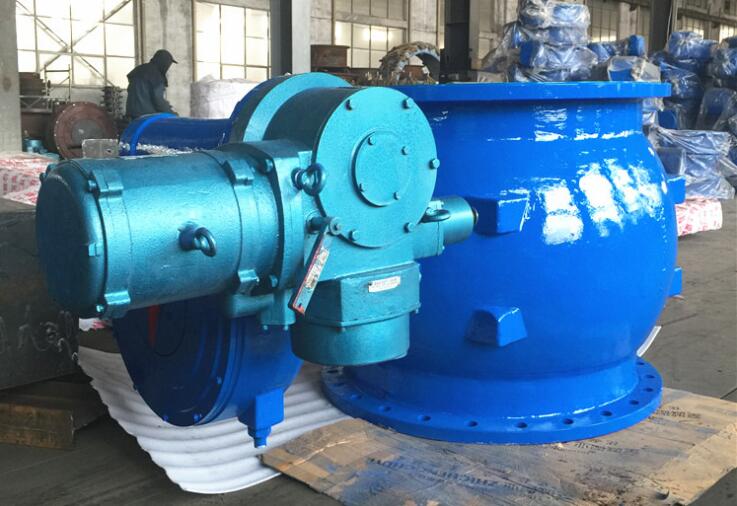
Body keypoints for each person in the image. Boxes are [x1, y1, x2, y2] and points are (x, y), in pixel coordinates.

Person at [125, 49, 178, 119]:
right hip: (146, 117)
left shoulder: (139, 69)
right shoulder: (156, 75)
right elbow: (158, 101)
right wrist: (173, 114)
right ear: (163, 62)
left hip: (131, 115)